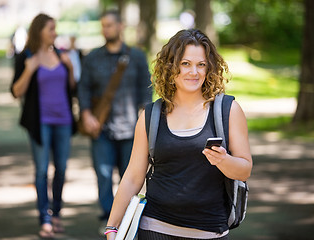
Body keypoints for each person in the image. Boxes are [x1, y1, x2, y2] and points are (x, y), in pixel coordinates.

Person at [105, 29, 253, 240]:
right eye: (185, 64)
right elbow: (133, 177)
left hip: (210, 232)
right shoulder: (151, 115)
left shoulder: (228, 111)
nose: (194, 72)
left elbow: (244, 170)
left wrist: (223, 160)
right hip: (155, 228)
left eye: (201, 64)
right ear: (170, 67)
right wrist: (112, 227)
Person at [77, 9, 152, 229]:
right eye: (103, 25)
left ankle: (127, 220)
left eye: (109, 25)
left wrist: (144, 113)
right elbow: (83, 89)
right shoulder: (92, 57)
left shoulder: (136, 56)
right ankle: (109, 220)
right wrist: (86, 114)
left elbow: (146, 88)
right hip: (101, 129)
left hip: (131, 129)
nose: (105, 29)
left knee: (130, 177)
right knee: (103, 175)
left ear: (120, 27)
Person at [10, 13, 77, 238]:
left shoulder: (61, 55)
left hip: (64, 120)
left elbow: (72, 89)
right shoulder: (25, 57)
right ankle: (45, 219)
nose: (54, 33)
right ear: (38, 31)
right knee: (41, 171)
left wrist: (69, 70)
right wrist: (30, 69)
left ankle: (56, 213)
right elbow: (16, 91)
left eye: (55, 29)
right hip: (40, 122)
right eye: (50, 29)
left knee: (62, 169)